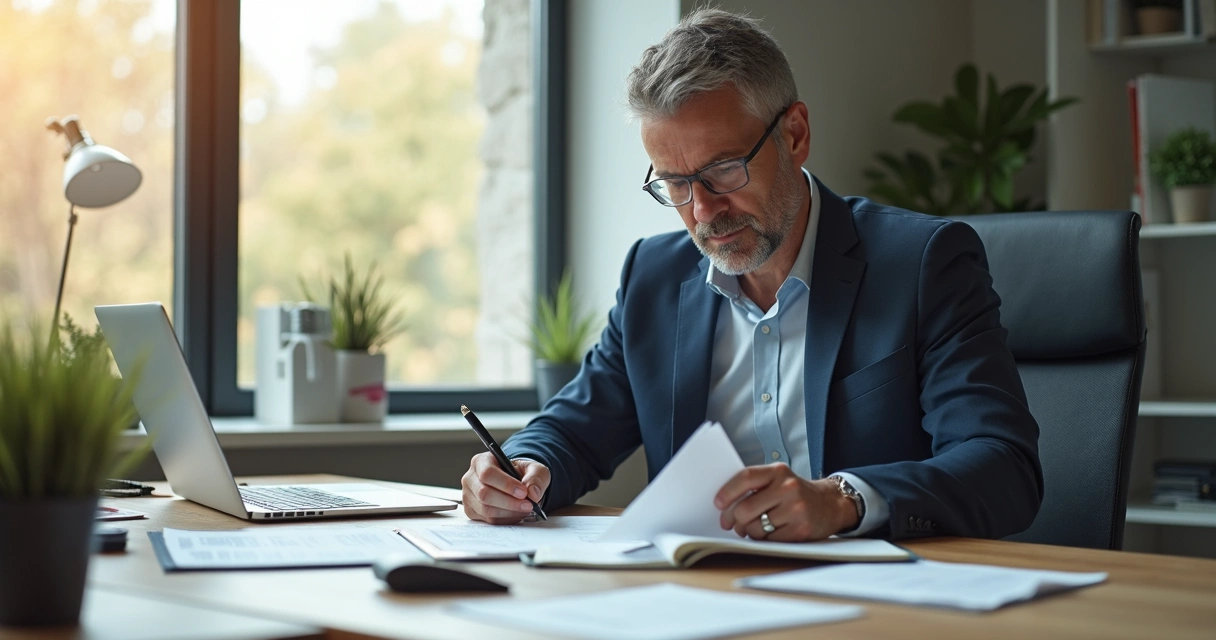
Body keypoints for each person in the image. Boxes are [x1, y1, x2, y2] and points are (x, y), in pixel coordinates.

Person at [461, 9, 1042, 541]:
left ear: (795, 136)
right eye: (675, 184)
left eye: (724, 170)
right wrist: (519, 469)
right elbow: (574, 430)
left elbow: (1002, 465)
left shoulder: (922, 263)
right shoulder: (654, 278)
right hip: (704, 599)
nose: (704, 210)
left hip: (886, 600)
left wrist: (841, 500)